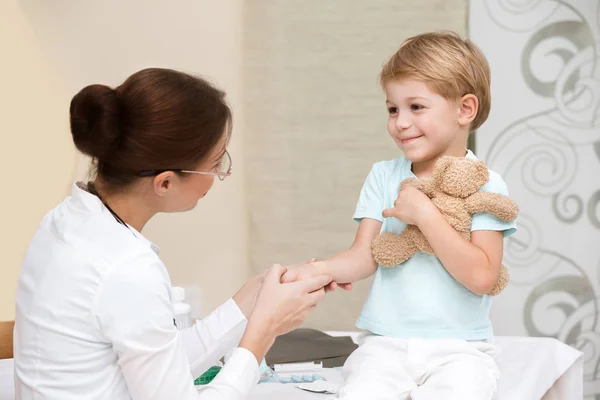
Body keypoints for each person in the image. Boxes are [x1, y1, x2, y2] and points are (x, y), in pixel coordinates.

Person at [13, 68, 337, 400]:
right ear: (165, 182)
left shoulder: (64, 221)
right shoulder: (126, 269)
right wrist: (264, 330)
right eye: (215, 163)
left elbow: (160, 367)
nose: (220, 175)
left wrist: (251, 301)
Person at [282, 31, 517, 399]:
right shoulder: (384, 176)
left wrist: (425, 214)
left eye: (416, 107)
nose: (401, 122)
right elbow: (365, 255)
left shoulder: (488, 186)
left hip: (460, 347)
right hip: (386, 343)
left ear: (464, 109)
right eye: (393, 109)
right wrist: (319, 270)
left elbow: (482, 276)